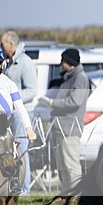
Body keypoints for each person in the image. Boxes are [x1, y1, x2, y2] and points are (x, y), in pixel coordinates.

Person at [38, 48, 91, 194]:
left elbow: (75, 101)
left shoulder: (80, 78)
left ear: (70, 62)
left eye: (63, 61)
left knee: (71, 163)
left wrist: (52, 103)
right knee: (62, 164)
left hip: (70, 127)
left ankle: (76, 194)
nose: (60, 64)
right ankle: (66, 192)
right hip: (61, 126)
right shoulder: (68, 77)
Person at [0, 42, 37, 195]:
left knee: (13, 152)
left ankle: (14, 182)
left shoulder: (9, 84)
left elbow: (20, 108)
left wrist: (29, 129)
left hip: (4, 129)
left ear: (1, 65)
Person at [0, 31, 38, 195]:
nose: (0, 47)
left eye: (2, 44)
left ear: (11, 45)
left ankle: (25, 190)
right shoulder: (7, 62)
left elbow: (32, 91)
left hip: (21, 115)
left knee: (22, 152)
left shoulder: (25, 63)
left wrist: (12, 99)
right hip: (8, 115)